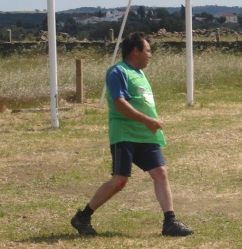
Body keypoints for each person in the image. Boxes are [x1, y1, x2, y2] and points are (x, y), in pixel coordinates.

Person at [70, 32, 193, 237]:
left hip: (146, 136)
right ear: (135, 51)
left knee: (161, 173)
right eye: (148, 50)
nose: (150, 55)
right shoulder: (117, 72)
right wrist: (148, 120)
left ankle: (170, 222)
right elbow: (119, 104)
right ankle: (83, 216)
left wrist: (149, 124)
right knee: (119, 181)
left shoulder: (140, 73)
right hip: (125, 135)